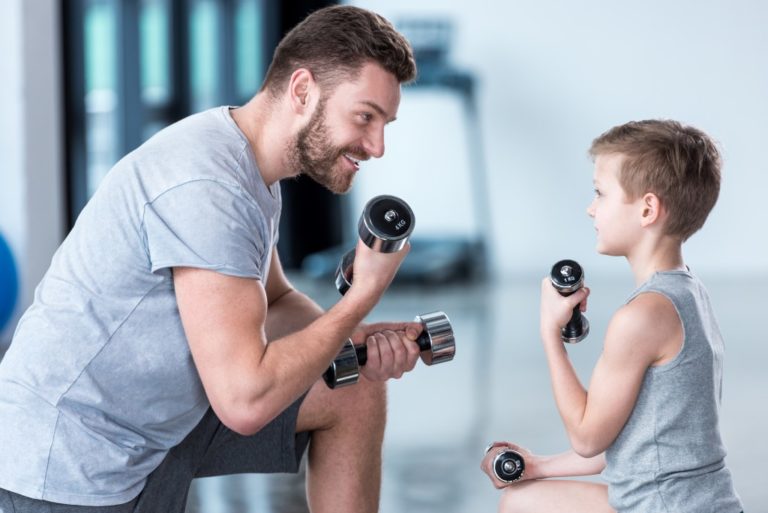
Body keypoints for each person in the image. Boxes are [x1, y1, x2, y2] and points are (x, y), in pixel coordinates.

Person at [0, 5, 422, 512]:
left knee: (352, 389)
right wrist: (360, 300)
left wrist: (344, 338)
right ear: (303, 90)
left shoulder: (246, 164)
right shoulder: (208, 186)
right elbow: (244, 402)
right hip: (73, 464)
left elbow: (278, 299)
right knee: (265, 389)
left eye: (385, 123)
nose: (377, 146)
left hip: (154, 426)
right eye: (365, 117)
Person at [481, 119, 743, 513]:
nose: (591, 208)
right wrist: (539, 466)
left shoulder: (641, 317)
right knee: (526, 497)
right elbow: (634, 439)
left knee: (520, 507)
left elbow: (588, 438)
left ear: (648, 209)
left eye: (600, 193)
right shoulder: (689, 293)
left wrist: (550, 334)